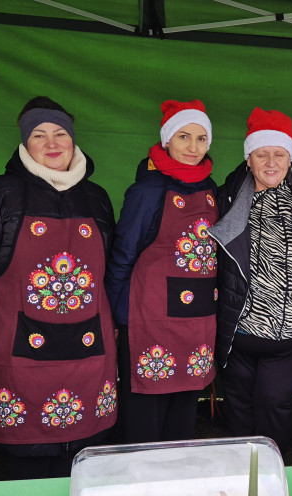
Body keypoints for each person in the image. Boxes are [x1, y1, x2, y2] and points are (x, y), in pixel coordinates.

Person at [0, 96, 118, 479]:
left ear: (74, 141)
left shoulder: (97, 197)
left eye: (60, 133)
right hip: (19, 348)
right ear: (25, 143)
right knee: (29, 462)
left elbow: (108, 272)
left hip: (89, 348)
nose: (52, 143)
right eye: (39, 135)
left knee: (84, 462)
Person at [209, 108, 292, 452]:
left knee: (274, 405)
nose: (271, 162)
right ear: (249, 158)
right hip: (239, 331)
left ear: (290, 158)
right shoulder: (225, 198)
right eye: (262, 154)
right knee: (239, 410)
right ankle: (241, 481)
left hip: (288, 336)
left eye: (279, 154)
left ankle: (274, 478)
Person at [104, 99, 219, 443]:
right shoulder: (147, 190)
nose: (192, 147)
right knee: (146, 407)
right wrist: (114, 314)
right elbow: (123, 254)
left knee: (185, 404)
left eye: (201, 138)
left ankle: (176, 476)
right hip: (148, 318)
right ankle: (138, 478)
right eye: (184, 136)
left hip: (197, 317)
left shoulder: (212, 191)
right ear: (167, 139)